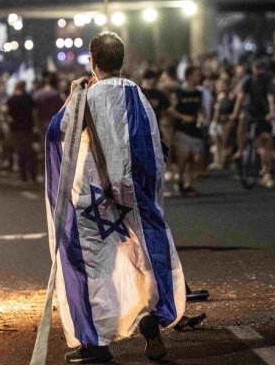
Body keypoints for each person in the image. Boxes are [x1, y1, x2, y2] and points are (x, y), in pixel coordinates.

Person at [34, 32, 185, 364]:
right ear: (122, 61)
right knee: (141, 253)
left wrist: (73, 94)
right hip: (135, 196)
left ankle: (96, 343)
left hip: (92, 196)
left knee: (90, 266)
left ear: (93, 61)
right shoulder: (138, 96)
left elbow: (55, 133)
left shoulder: (84, 97)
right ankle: (149, 316)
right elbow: (154, 149)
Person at [232, 60, 275, 189]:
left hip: (263, 115)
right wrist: (235, 113)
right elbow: (240, 97)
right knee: (241, 120)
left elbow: (270, 97)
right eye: (256, 68)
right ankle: (240, 150)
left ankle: (266, 173)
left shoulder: (267, 80)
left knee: (265, 143)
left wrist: (272, 111)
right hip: (250, 113)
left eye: (260, 68)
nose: (258, 71)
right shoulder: (248, 80)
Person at [170, 66, 207, 196]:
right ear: (189, 76)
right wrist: (182, 117)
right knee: (184, 155)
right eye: (196, 75)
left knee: (195, 157)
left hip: (194, 128)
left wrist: (202, 118)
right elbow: (171, 110)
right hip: (181, 128)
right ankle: (179, 178)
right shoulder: (179, 92)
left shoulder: (199, 93)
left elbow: (201, 110)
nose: (199, 78)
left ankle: (189, 184)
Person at [6, 80, 36, 182]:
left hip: (16, 129)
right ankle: (33, 175)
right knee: (30, 152)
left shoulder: (11, 100)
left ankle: (23, 176)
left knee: (20, 152)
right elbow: (34, 113)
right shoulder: (29, 98)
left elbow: (8, 115)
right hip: (28, 128)